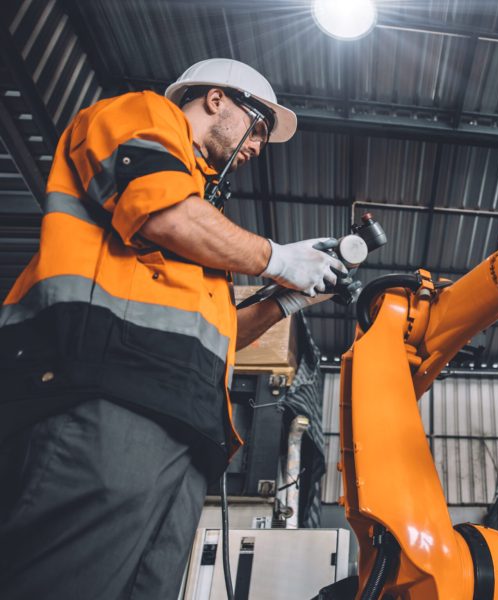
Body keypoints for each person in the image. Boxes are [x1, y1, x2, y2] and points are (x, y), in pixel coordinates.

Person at [0, 59, 346, 599]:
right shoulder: (144, 115)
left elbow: (221, 334)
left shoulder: (204, 230)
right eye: (255, 128)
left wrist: (289, 299)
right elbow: (162, 213)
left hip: (181, 426)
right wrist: (277, 258)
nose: (256, 147)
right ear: (215, 100)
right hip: (106, 397)